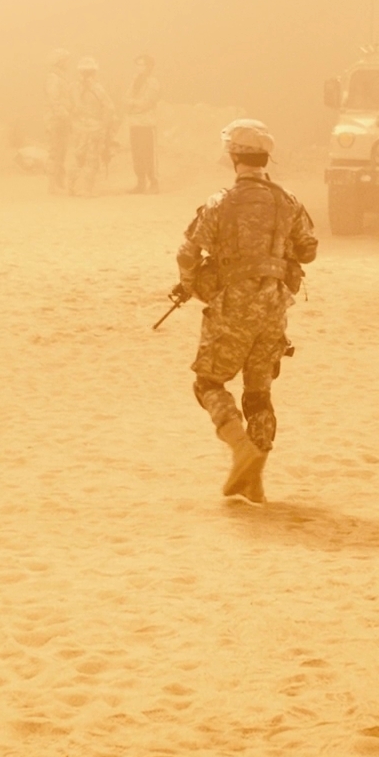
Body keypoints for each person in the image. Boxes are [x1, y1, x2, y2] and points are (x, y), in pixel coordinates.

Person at [173, 120, 318, 503]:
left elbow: (187, 253)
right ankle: (254, 480)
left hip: (232, 305)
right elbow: (309, 251)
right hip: (274, 306)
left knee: (208, 384)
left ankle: (241, 450)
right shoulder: (288, 201)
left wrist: (191, 285)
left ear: (233, 156)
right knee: (258, 394)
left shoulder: (220, 203)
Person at [67, 57, 115, 196]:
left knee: (78, 157)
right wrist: (105, 126)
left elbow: (68, 106)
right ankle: (85, 189)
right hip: (94, 128)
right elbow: (110, 107)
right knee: (92, 159)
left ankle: (71, 186)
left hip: (78, 128)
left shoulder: (72, 87)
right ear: (94, 72)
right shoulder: (97, 88)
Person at [126, 54, 162, 193]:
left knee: (148, 154)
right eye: (137, 64)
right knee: (137, 155)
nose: (138, 67)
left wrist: (132, 104)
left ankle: (154, 182)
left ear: (149, 67)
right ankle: (140, 183)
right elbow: (125, 99)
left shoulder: (153, 82)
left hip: (147, 124)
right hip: (134, 123)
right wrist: (133, 104)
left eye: (142, 64)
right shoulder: (135, 81)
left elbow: (146, 103)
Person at [44, 49, 75, 193]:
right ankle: (53, 184)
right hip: (56, 120)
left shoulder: (61, 77)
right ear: (60, 62)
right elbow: (54, 100)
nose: (68, 63)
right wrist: (64, 114)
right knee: (55, 152)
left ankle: (59, 182)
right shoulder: (53, 78)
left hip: (63, 119)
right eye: (66, 61)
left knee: (62, 152)